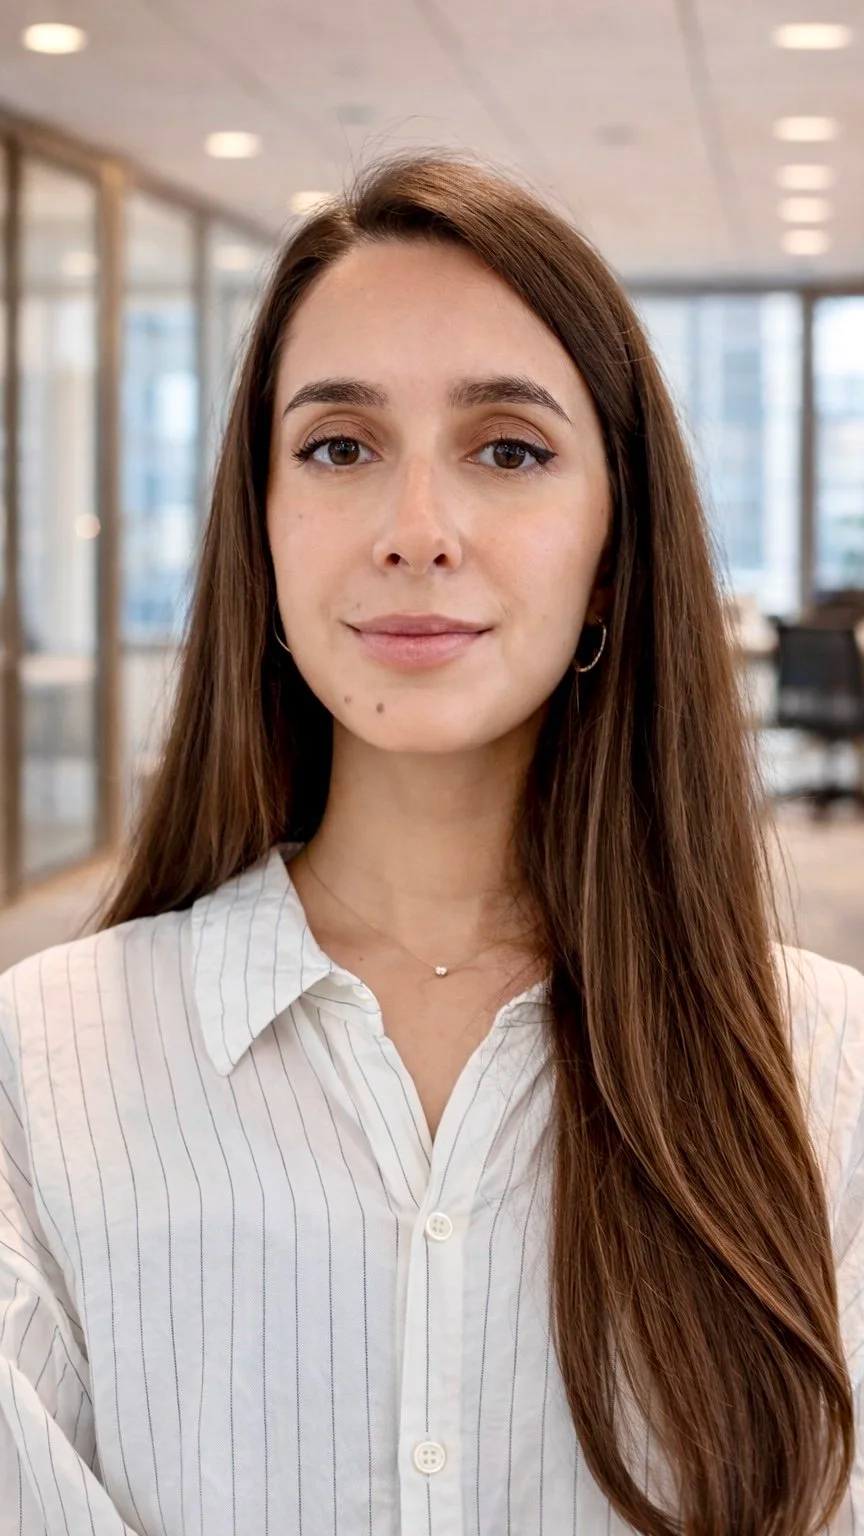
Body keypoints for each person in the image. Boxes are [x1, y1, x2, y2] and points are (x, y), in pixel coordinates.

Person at [1, 152, 863, 1536]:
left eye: (508, 450)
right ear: (262, 532)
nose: (416, 532)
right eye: (338, 445)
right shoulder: (42, 1068)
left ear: (612, 549)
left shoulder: (824, 1072)